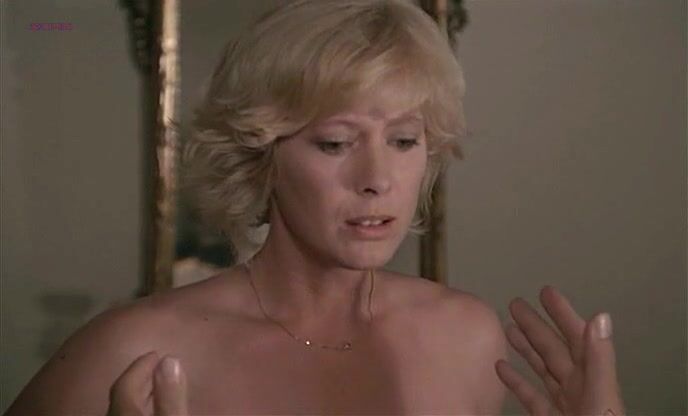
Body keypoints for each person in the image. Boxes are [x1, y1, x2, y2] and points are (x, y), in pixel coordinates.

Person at [4, 0, 626, 415]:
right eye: (335, 143)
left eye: (403, 141)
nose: (377, 179)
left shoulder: (466, 336)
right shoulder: (135, 349)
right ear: (261, 153)